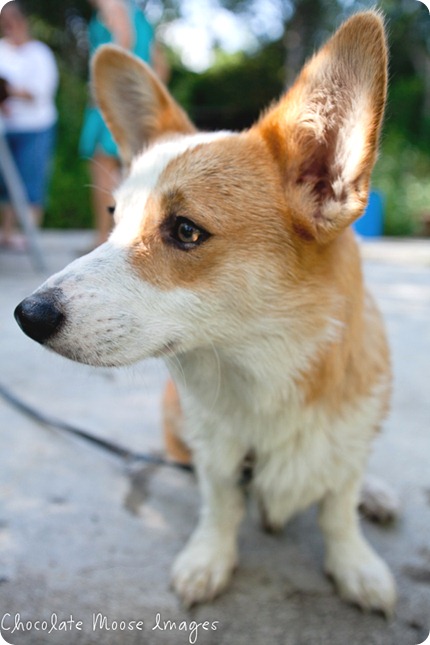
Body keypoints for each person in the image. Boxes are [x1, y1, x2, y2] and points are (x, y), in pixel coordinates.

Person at [80, 0, 169, 247]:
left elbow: (124, 41)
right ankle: (134, 237)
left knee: (102, 168)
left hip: (113, 101)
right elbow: (160, 64)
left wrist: (107, 88)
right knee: (134, 172)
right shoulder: (139, 15)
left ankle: (104, 240)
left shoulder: (111, 6)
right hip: (140, 101)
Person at [0, 0, 58, 249]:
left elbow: (43, 91)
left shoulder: (40, 53)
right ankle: (6, 232)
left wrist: (12, 91)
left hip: (36, 127)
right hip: (6, 126)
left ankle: (29, 236)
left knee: (31, 179)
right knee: (6, 184)